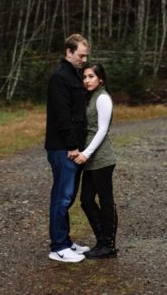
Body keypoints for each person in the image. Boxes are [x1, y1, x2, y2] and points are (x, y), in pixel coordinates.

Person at [44, 33, 91, 263]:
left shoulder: (73, 75)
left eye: (86, 55)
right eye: (80, 55)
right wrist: (72, 146)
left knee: (68, 197)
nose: (84, 59)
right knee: (61, 198)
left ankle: (66, 241)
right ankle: (58, 247)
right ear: (68, 52)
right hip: (63, 149)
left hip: (74, 148)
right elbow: (62, 117)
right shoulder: (59, 78)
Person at [74, 63, 118, 259]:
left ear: (101, 79)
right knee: (86, 201)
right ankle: (102, 241)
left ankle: (108, 245)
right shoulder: (91, 97)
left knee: (106, 202)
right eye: (84, 77)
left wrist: (86, 153)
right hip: (91, 159)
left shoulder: (102, 98)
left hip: (102, 159)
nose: (86, 80)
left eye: (91, 76)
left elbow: (102, 130)